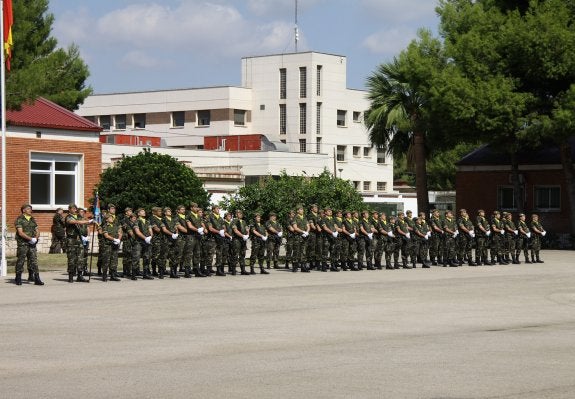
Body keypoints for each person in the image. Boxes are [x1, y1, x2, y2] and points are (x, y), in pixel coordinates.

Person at [14, 204, 43, 286]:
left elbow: (37, 230)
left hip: (32, 244)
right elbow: (20, 232)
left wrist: (36, 238)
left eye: (31, 209)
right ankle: (18, 277)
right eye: (28, 209)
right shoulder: (19, 219)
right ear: (23, 210)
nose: (30, 210)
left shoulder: (33, 219)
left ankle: (37, 278)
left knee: (34, 260)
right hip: (23, 243)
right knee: (21, 260)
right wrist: (30, 239)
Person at [65, 204, 94, 282]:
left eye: (75, 208)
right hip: (71, 240)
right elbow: (74, 222)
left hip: (79, 240)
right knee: (72, 258)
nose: (75, 209)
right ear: (69, 209)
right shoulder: (68, 217)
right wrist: (86, 221)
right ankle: (71, 276)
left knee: (80, 258)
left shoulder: (79, 217)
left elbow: (85, 224)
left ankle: (80, 275)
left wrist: (91, 222)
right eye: (73, 208)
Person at [98, 213, 122, 281]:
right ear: (107, 220)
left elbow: (120, 232)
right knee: (106, 260)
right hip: (107, 245)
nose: (112, 219)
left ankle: (113, 275)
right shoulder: (105, 226)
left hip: (114, 245)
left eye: (112, 218)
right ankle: (104, 275)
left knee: (114, 260)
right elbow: (106, 235)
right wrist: (114, 239)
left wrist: (119, 239)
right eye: (110, 218)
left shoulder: (115, 225)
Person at [132, 208, 154, 280]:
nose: (144, 212)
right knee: (136, 258)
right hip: (139, 242)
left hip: (147, 242)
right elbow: (137, 232)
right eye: (142, 211)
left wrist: (150, 237)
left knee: (147, 258)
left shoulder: (147, 221)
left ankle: (145, 274)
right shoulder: (136, 221)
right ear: (138, 214)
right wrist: (145, 238)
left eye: (144, 211)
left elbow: (150, 230)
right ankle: (134, 274)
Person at [206, 204, 226, 276]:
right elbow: (210, 228)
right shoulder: (210, 217)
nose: (218, 210)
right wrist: (218, 232)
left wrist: (223, 231)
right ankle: (208, 269)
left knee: (219, 254)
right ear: (213, 210)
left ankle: (218, 270)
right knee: (210, 254)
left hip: (220, 238)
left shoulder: (220, 218)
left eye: (219, 209)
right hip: (212, 238)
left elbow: (224, 227)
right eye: (217, 209)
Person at [161, 207, 180, 278]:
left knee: (174, 256)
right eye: (168, 211)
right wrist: (172, 234)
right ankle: (161, 272)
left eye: (170, 211)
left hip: (174, 240)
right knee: (164, 256)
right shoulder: (163, 220)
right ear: (165, 213)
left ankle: (173, 272)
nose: (170, 212)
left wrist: (176, 234)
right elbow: (164, 229)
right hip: (166, 240)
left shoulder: (173, 219)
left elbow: (176, 228)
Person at [231, 209, 251, 275]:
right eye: (239, 213)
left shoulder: (244, 221)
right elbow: (235, 230)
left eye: (241, 213)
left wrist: (247, 235)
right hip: (237, 240)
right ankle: (233, 270)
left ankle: (243, 270)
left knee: (242, 254)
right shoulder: (234, 221)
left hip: (243, 240)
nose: (241, 215)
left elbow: (247, 229)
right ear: (236, 214)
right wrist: (242, 236)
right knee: (235, 255)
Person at [291, 205, 310, 273]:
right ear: (297, 211)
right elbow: (295, 228)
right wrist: (303, 232)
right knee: (296, 251)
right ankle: (295, 266)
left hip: (304, 237)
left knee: (303, 252)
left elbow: (308, 225)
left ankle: (303, 267)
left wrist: (307, 232)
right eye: (301, 209)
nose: (302, 210)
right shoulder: (295, 218)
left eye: (302, 209)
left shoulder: (304, 217)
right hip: (297, 237)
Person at [149, 206, 165, 276]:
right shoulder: (152, 218)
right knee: (156, 255)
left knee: (161, 254)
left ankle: (160, 270)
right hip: (156, 239)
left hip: (162, 239)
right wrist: (165, 230)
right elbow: (156, 229)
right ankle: (156, 271)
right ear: (154, 212)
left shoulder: (162, 219)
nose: (160, 212)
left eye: (160, 211)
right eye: (159, 211)